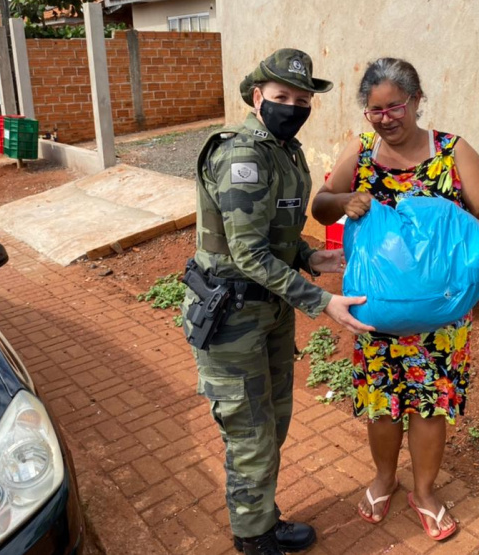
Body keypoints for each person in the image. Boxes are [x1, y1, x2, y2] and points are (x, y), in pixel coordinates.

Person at [181, 48, 374, 555]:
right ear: (257, 96)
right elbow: (247, 252)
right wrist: (323, 301)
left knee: (274, 421)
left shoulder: (285, 151)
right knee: (251, 435)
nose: (293, 106)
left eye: (302, 99)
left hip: (269, 310)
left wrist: (311, 257)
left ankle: (262, 517)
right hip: (231, 317)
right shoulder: (242, 156)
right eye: (281, 96)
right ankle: (253, 538)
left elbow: (276, 235)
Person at [311, 58, 479, 541]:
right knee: (382, 404)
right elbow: (321, 205)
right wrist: (344, 201)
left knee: (430, 406)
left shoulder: (452, 151)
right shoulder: (361, 152)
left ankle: (424, 491)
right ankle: (384, 478)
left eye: (395, 107)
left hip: (441, 317)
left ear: (417, 100)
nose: (386, 119)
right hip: (376, 314)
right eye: (375, 111)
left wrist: (477, 256)